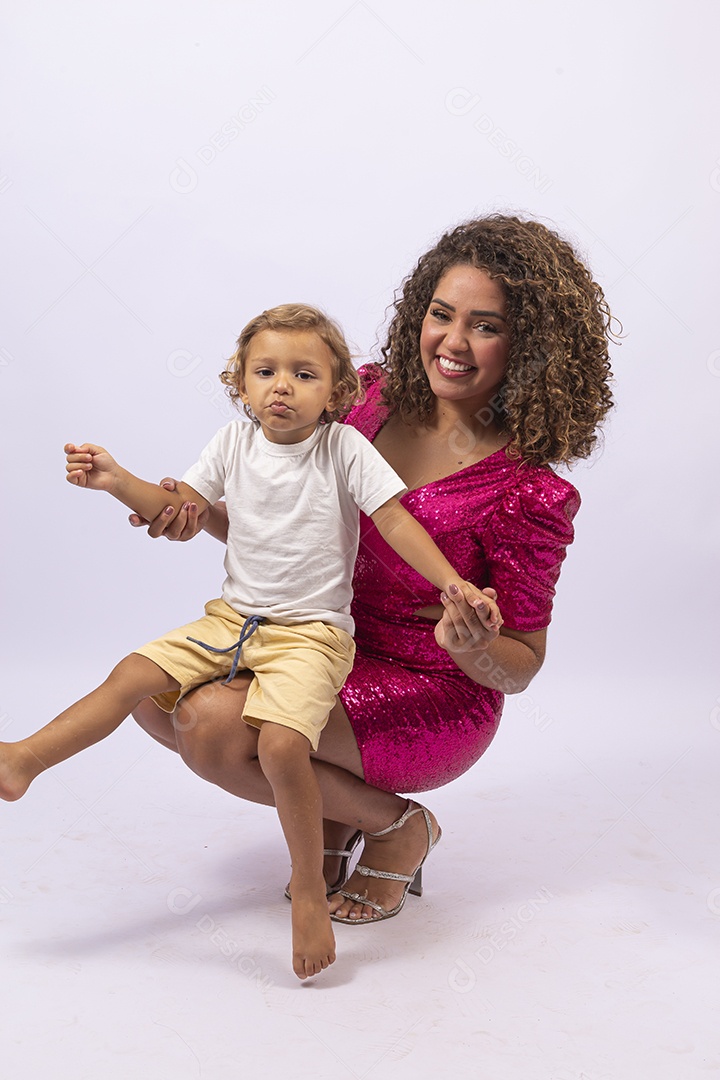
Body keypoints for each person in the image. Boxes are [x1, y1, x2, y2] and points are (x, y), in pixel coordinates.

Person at [128, 215, 615, 929]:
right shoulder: (362, 401)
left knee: (210, 726)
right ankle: (333, 810)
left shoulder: (528, 493)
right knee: (152, 694)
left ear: (531, 348)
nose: (450, 342)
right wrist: (199, 514)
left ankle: (396, 825)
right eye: (441, 314)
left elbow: (522, 667)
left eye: (484, 326)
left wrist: (474, 644)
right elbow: (281, 533)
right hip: (314, 640)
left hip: (429, 690)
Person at [0, 303, 500, 980]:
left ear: (338, 393)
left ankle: (307, 894)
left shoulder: (343, 449)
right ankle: (24, 758)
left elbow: (395, 519)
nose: (282, 387)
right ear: (241, 383)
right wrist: (118, 480)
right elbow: (182, 507)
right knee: (131, 678)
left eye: (303, 374)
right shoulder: (232, 445)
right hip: (232, 620)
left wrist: (450, 583)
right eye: (266, 372)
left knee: (281, 743)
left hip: (312, 637)